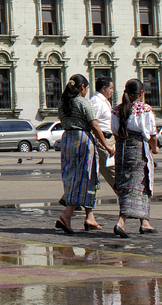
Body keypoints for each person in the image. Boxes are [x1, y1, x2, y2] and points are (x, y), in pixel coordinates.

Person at [56, 74, 115, 234]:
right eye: (87, 88)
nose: (87, 91)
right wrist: (107, 145)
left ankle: (90, 217)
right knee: (84, 177)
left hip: (67, 139)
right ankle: (67, 215)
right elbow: (95, 126)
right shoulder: (83, 102)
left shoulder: (63, 103)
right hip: (83, 140)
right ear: (82, 88)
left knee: (73, 177)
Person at [111, 78, 159, 237]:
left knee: (126, 184)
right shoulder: (144, 110)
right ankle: (121, 222)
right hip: (138, 150)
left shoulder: (117, 110)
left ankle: (144, 222)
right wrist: (154, 148)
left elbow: (115, 133)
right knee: (138, 184)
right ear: (142, 94)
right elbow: (151, 134)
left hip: (122, 150)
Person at [89, 77, 116, 193]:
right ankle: (124, 196)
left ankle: (70, 199)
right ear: (104, 88)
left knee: (92, 171)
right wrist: (105, 144)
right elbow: (93, 124)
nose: (112, 91)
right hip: (102, 140)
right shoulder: (97, 102)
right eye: (110, 88)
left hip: (108, 139)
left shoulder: (103, 101)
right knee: (112, 170)